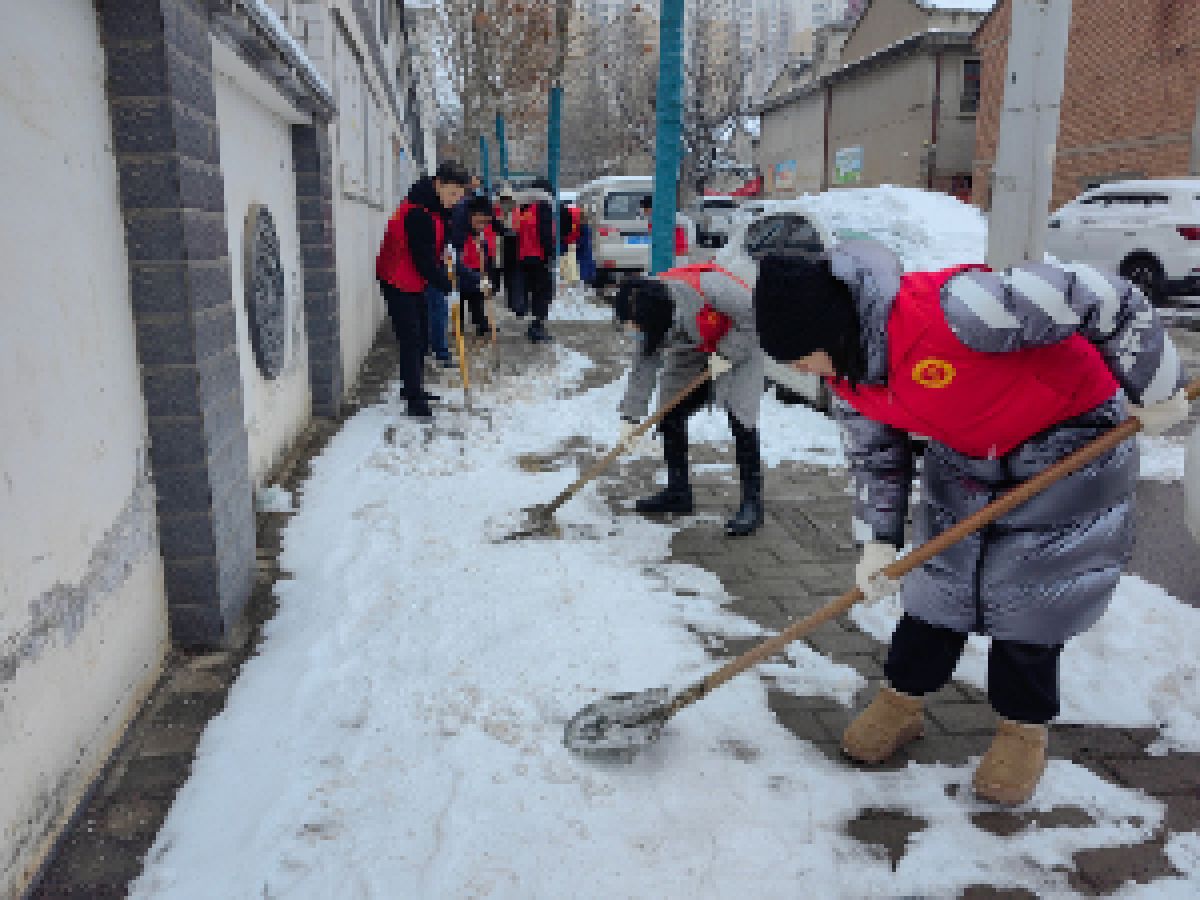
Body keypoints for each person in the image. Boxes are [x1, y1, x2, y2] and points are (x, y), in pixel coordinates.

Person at [752, 244, 1189, 805]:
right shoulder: (851, 378)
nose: (796, 370)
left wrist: (1155, 386)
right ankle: (901, 699)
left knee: (1031, 597)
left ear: (831, 329)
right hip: (967, 454)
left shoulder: (961, 311)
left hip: (1070, 439)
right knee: (937, 586)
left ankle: (1022, 730)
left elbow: (1109, 298)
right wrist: (878, 543)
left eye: (798, 355)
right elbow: (876, 461)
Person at [614, 263, 767, 537]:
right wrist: (630, 417)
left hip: (740, 342)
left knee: (741, 417)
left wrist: (727, 353)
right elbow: (644, 365)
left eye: (636, 325)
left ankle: (752, 504)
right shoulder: (651, 309)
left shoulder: (713, 288)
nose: (635, 331)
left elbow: (755, 319)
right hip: (693, 344)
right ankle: (678, 491)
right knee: (669, 411)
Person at [375, 160, 470, 420]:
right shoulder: (419, 212)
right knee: (412, 338)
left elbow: (436, 247)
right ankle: (414, 398)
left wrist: (449, 252)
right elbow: (424, 261)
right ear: (438, 184)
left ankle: (413, 387)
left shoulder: (434, 206)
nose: (455, 200)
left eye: (459, 197)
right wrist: (448, 286)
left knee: (422, 335)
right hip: (397, 278)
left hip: (412, 277)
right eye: (452, 194)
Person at [517, 178, 557, 343]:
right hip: (539, 257)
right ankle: (537, 327)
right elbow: (545, 234)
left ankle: (534, 325)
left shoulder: (525, 207)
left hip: (525, 257)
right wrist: (551, 254)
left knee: (534, 291)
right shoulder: (543, 207)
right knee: (543, 292)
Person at [453, 194, 499, 337]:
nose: (483, 226)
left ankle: (480, 322)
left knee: (476, 295)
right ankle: (458, 326)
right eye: (480, 222)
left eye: (486, 223)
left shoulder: (478, 225)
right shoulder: (457, 226)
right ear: (473, 214)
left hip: (475, 264)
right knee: (459, 295)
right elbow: (455, 262)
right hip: (462, 266)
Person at [496, 186, 525, 317]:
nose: (506, 202)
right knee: (510, 278)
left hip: (513, 247)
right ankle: (513, 303)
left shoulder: (516, 212)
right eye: (504, 199)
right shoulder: (499, 212)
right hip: (504, 249)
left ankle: (516, 304)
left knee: (514, 277)